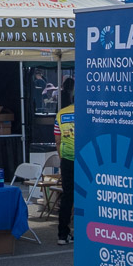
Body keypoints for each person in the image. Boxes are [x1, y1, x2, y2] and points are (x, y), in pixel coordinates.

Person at [55, 78, 76, 245]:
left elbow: (57, 140)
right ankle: (88, 231)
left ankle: (62, 234)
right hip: (86, 161)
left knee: (67, 196)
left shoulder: (61, 113)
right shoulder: (88, 112)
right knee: (87, 196)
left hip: (67, 159)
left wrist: (62, 159)